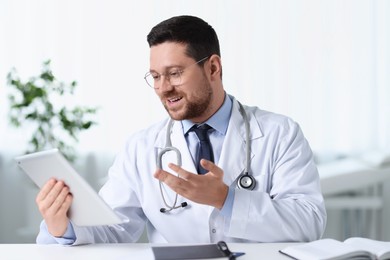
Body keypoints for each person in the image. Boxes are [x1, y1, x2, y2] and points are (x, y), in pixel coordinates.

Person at [36, 15, 326, 245]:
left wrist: (227, 199)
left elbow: (309, 223)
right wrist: (64, 225)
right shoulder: (141, 147)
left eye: (175, 73)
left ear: (213, 68)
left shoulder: (280, 133)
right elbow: (113, 230)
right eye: (155, 76)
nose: (164, 88)